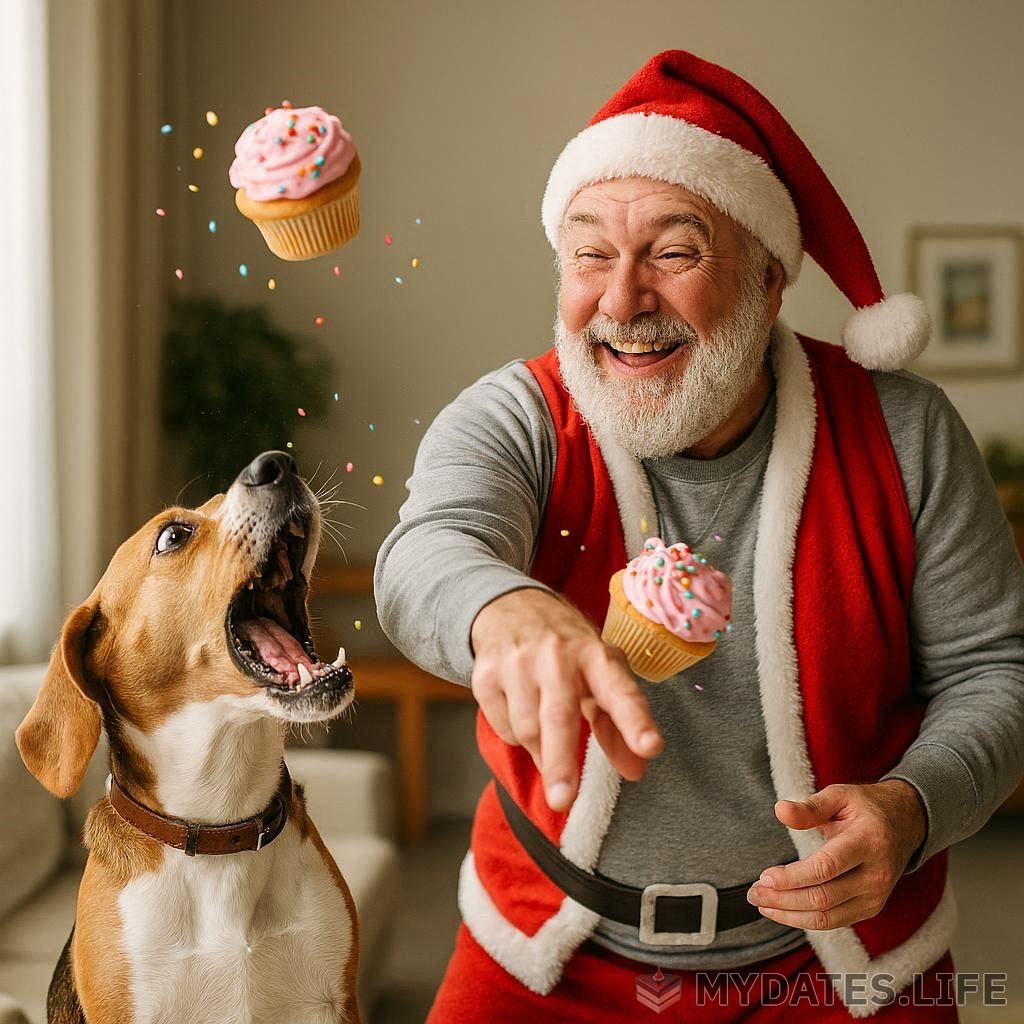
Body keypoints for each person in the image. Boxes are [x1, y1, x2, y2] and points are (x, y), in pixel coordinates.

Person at [374, 50, 1024, 1022]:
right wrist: (504, 609)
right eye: (591, 254)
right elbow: (425, 552)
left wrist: (916, 804)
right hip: (544, 951)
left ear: (768, 281)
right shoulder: (515, 416)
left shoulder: (905, 431)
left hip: (838, 964)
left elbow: (996, 671)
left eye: (673, 254)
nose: (622, 301)